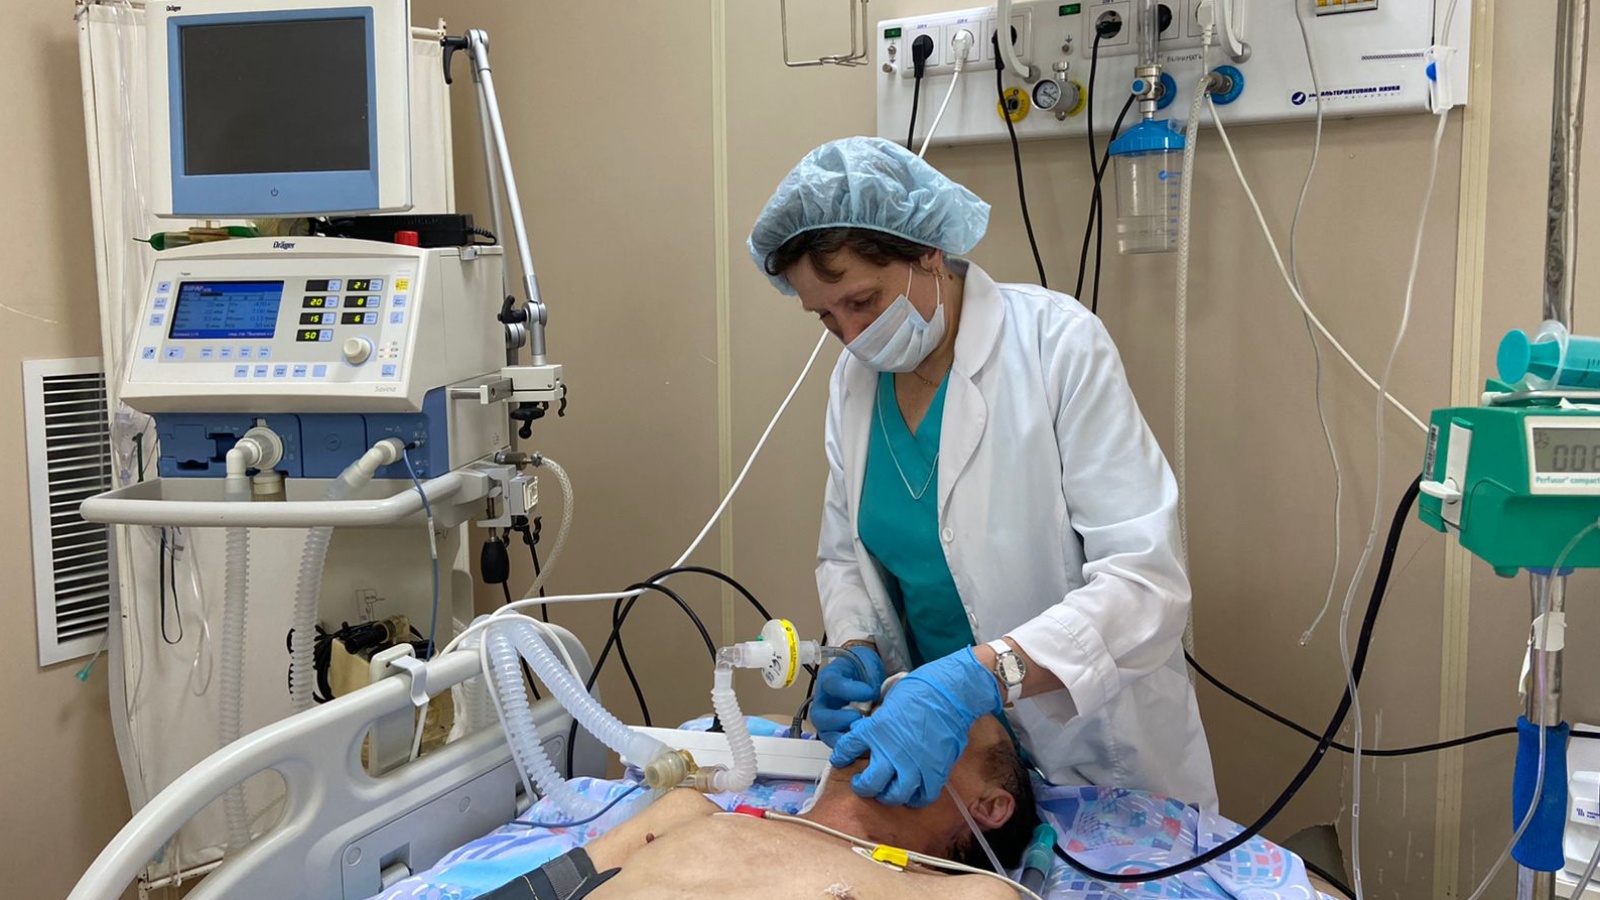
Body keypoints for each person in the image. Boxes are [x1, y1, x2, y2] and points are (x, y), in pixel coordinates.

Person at [746, 136, 1216, 811]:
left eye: (863, 300)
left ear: (927, 253)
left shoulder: (1057, 344)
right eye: (825, 316)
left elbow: (1146, 586)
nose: (850, 336)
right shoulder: (854, 383)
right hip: (946, 765)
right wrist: (854, 647)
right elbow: (845, 554)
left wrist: (981, 677)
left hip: (1091, 754)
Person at [485, 715, 1039, 900]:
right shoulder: (688, 811)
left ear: (991, 807)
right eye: (889, 708)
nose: (888, 721)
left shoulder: (969, 894)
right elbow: (531, 893)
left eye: (938, 725)